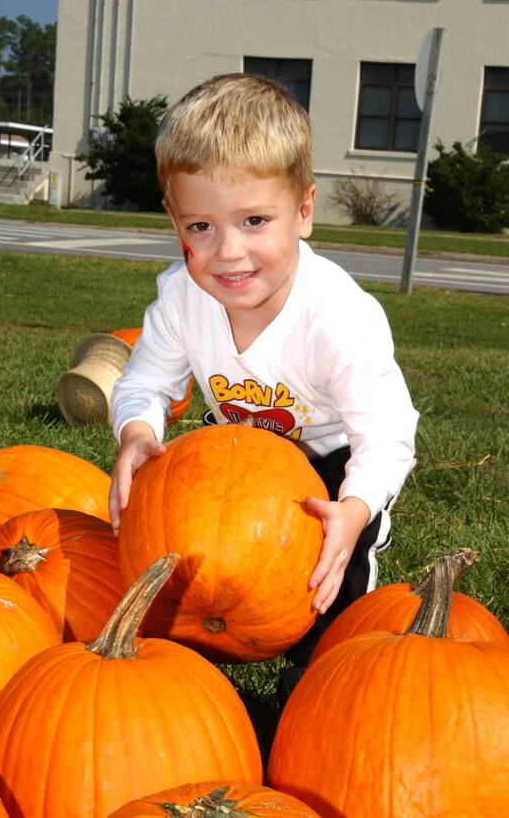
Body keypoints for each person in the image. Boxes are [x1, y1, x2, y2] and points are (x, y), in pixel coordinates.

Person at [109, 73, 419, 687]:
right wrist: (137, 429)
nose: (227, 251)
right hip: (232, 453)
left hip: (328, 460)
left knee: (331, 583)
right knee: (187, 559)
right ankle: (185, 661)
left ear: (303, 211)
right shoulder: (180, 297)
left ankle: (321, 675)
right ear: (176, 223)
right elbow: (144, 377)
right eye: (200, 227)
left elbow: (385, 435)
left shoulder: (339, 316)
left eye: (254, 220)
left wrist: (354, 509)